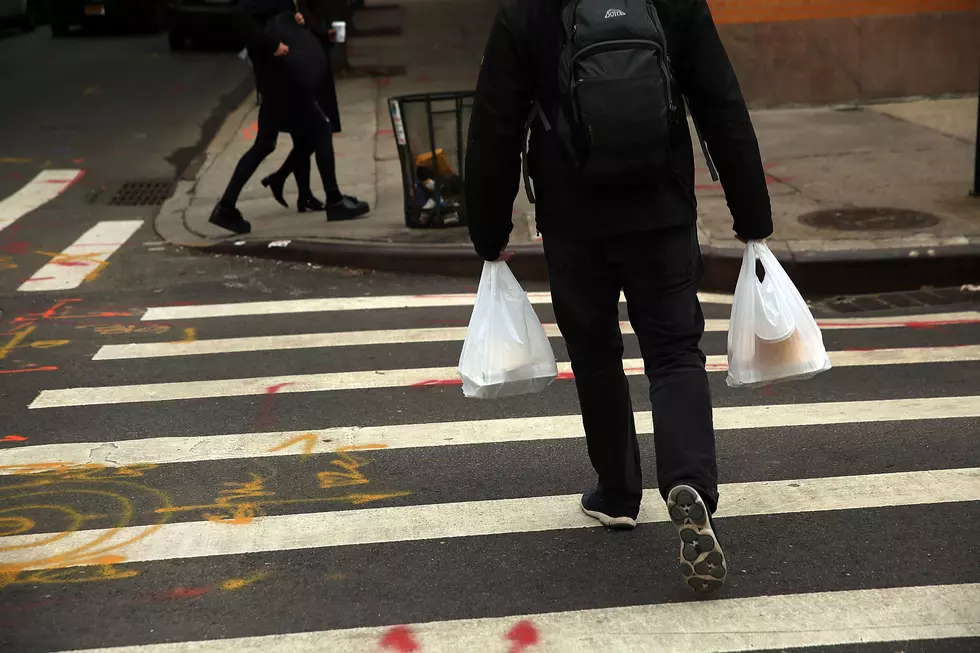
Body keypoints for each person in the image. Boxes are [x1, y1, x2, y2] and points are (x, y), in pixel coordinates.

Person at [464, 0, 773, 594]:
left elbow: (495, 126)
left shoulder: (525, 11)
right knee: (675, 351)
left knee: (596, 352)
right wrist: (752, 215)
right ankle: (689, 482)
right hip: (661, 211)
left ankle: (617, 492)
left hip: (573, 218)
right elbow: (721, 105)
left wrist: (489, 231)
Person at [209, 0, 366, 234]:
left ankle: (226, 207)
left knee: (264, 144)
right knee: (321, 128)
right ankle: (334, 201)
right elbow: (242, 15)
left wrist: (301, 20)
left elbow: (279, 17)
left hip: (279, 78)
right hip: (282, 78)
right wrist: (273, 43)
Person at [259, 0, 369, 220]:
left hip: (307, 59)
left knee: (307, 133)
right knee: (318, 129)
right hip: (303, 65)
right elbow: (290, 20)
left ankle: (301, 191)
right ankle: (332, 199)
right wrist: (312, 26)